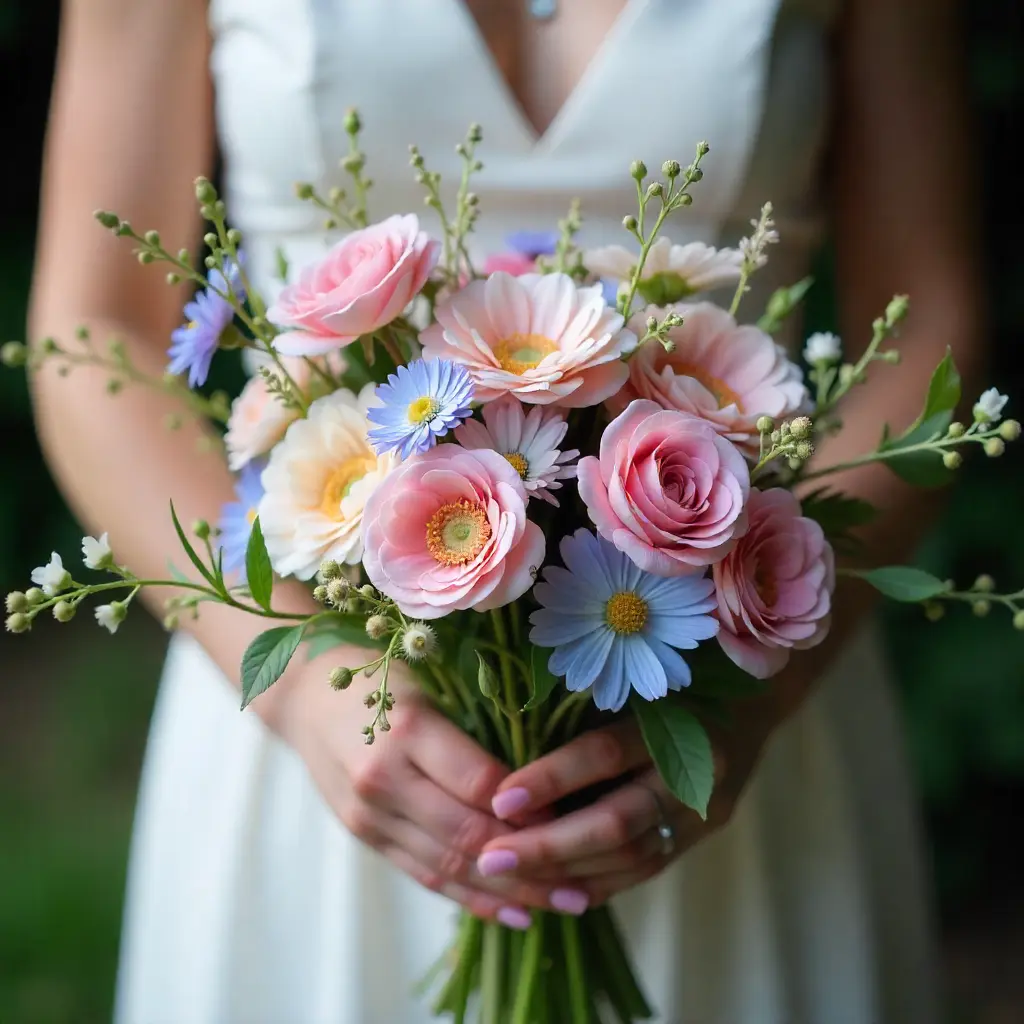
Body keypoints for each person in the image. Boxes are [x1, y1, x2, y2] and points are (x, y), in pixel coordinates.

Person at [30, 1, 980, 1021]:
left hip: (736, 684)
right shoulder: (311, 689)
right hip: (332, 727)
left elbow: (929, 320)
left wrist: (750, 697)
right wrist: (302, 677)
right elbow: (96, 332)